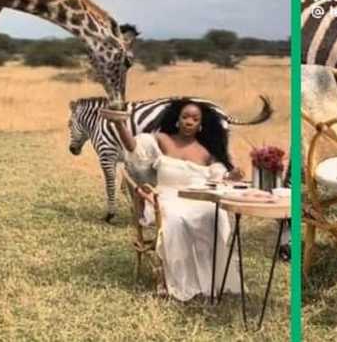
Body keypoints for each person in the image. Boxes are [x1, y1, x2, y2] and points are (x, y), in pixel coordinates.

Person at [104, 99, 245, 301]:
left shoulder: (206, 152)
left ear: (200, 124)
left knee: (216, 215)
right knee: (177, 219)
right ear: (177, 120)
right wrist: (118, 123)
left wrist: (233, 176)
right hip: (168, 196)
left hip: (199, 197)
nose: (189, 121)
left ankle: (209, 278)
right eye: (185, 117)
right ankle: (180, 279)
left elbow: (220, 177)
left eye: (195, 119)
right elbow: (134, 148)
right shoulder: (161, 139)